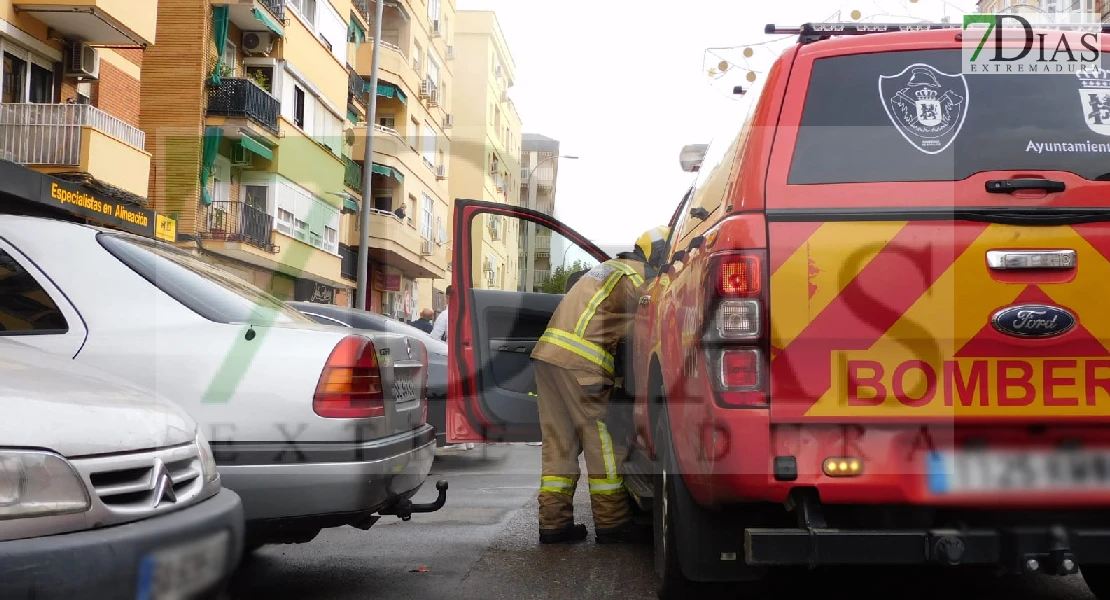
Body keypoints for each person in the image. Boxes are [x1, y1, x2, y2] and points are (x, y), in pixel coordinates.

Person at [530, 226, 670, 545]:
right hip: (582, 363)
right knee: (601, 440)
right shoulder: (642, 279)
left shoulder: (607, 268)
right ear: (659, 255)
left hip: (547, 356)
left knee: (559, 442)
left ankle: (554, 525)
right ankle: (612, 523)